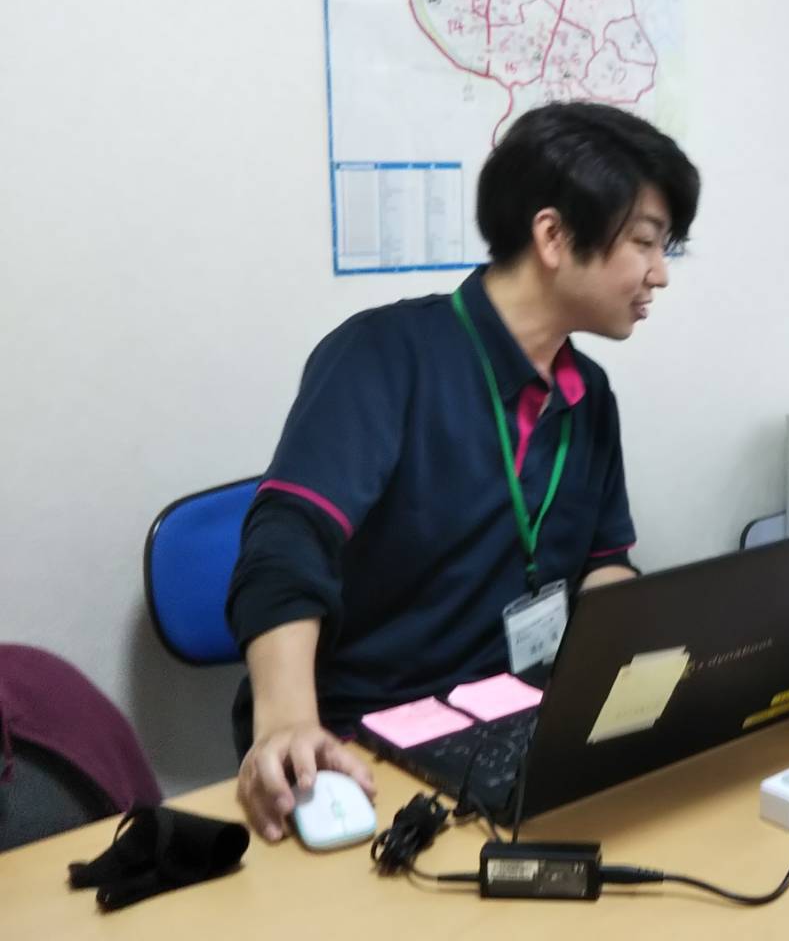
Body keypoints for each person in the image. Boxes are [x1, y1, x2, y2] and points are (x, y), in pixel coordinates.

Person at [225, 101, 700, 842]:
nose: (659, 274)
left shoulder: (588, 394)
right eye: (644, 242)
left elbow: (603, 565)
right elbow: (287, 540)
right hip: (370, 738)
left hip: (520, 719)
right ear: (553, 236)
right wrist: (286, 718)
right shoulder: (384, 356)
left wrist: (653, 669)